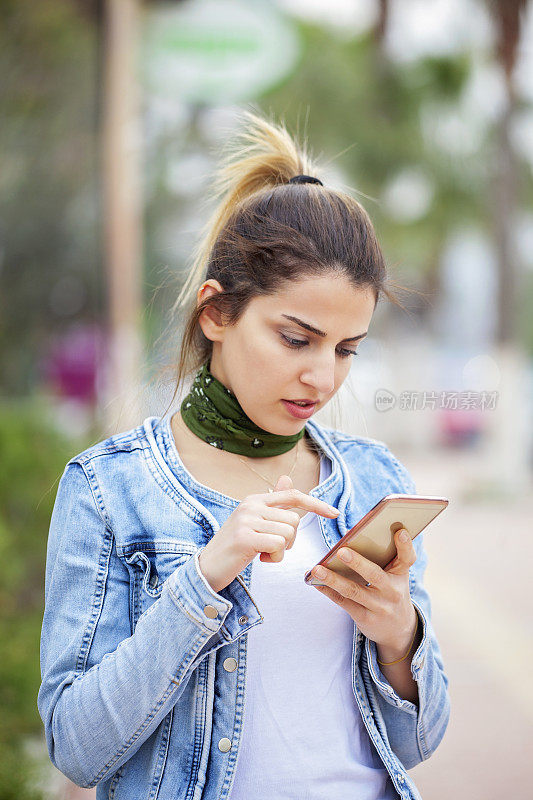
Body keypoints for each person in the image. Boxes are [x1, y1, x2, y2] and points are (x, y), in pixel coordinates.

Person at [38, 111, 450, 800]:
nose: (323, 377)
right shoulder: (108, 488)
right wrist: (201, 582)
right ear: (215, 313)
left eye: (347, 348)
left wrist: (398, 638)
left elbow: (416, 742)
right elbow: (77, 750)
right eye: (296, 339)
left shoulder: (376, 481)